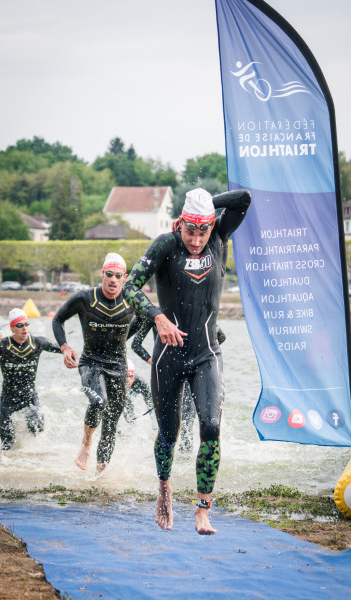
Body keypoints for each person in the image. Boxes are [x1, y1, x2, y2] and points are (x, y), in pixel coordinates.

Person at [124, 187, 251, 534]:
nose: (196, 240)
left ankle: (202, 508)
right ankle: (164, 489)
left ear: (211, 226)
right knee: (169, 433)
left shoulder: (219, 237)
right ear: (180, 224)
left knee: (210, 426)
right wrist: (157, 317)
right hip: (168, 356)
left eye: (202, 231)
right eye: (190, 231)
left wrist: (208, 206)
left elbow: (243, 199)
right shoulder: (165, 245)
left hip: (206, 353)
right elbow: (130, 287)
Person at [52, 252, 139, 476]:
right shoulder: (84, 298)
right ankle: (86, 442)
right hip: (91, 362)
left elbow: (148, 318)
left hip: (118, 366)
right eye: (109, 274)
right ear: (102, 273)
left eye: (118, 275)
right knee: (98, 401)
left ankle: (100, 474)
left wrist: (124, 337)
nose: (113, 279)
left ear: (124, 277)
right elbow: (58, 319)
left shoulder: (132, 299)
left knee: (111, 423)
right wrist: (65, 347)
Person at [131, 316, 226, 454]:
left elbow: (220, 336)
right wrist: (154, 361)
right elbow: (136, 344)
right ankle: (165, 460)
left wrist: (202, 357)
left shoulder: (195, 314)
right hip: (167, 374)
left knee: (187, 422)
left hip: (188, 374)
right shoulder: (157, 316)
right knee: (167, 425)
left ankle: (184, 461)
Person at [0, 308, 62, 450]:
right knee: (6, 445)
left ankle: (30, 459)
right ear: (12, 328)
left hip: (29, 397)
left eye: (26, 324)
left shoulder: (38, 342)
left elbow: (64, 349)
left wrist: (72, 355)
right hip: (8, 400)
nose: (24, 328)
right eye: (19, 325)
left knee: (37, 428)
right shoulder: (1, 344)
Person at [123, 358, 154, 424]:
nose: (128, 380)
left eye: (131, 376)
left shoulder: (141, 383)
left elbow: (150, 405)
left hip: (128, 400)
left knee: (130, 417)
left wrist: (154, 424)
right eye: (125, 376)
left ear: (134, 376)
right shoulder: (115, 383)